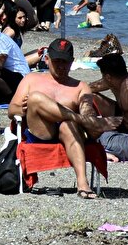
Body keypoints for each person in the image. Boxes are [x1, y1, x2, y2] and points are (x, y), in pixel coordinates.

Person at [8, 38, 121, 199]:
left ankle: (82, 183)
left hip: (69, 132)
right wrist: (25, 108)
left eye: (65, 62)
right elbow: (12, 110)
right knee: (35, 98)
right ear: (47, 60)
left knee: (68, 125)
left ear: (72, 62)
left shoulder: (80, 87)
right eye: (57, 61)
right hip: (41, 131)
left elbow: (88, 113)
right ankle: (74, 118)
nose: (61, 66)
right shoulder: (32, 79)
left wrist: (85, 118)